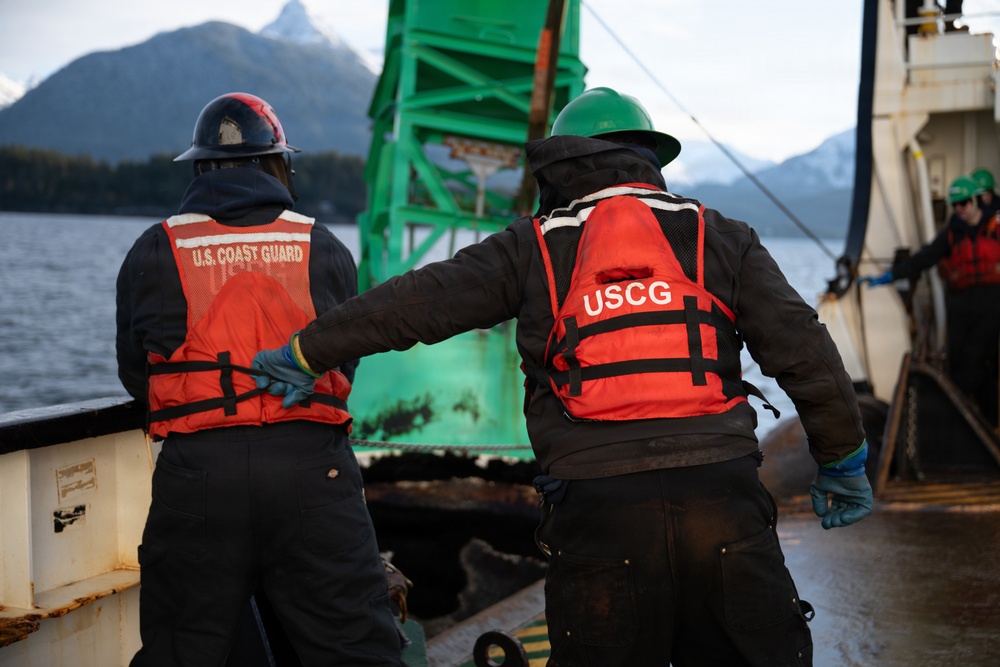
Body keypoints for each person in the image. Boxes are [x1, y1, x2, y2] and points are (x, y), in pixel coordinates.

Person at [253, 87, 873, 667]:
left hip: (598, 509)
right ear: (649, 159)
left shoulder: (531, 247)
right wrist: (842, 459)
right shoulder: (719, 236)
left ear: (559, 165)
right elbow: (804, 349)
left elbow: (417, 302)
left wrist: (309, 350)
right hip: (722, 498)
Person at [116, 92, 401, 666]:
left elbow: (136, 374)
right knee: (353, 648)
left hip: (198, 477)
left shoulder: (156, 247)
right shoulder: (321, 244)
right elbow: (343, 362)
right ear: (279, 164)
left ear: (199, 166)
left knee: (184, 648)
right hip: (311, 473)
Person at [863, 174, 1000, 426]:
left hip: (992, 303)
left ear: (976, 201)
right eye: (955, 204)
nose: (960, 208)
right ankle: (971, 422)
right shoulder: (951, 234)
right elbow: (923, 258)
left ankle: (984, 420)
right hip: (960, 304)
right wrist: (890, 276)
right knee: (958, 362)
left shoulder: (995, 227)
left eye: (965, 202)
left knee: (977, 359)